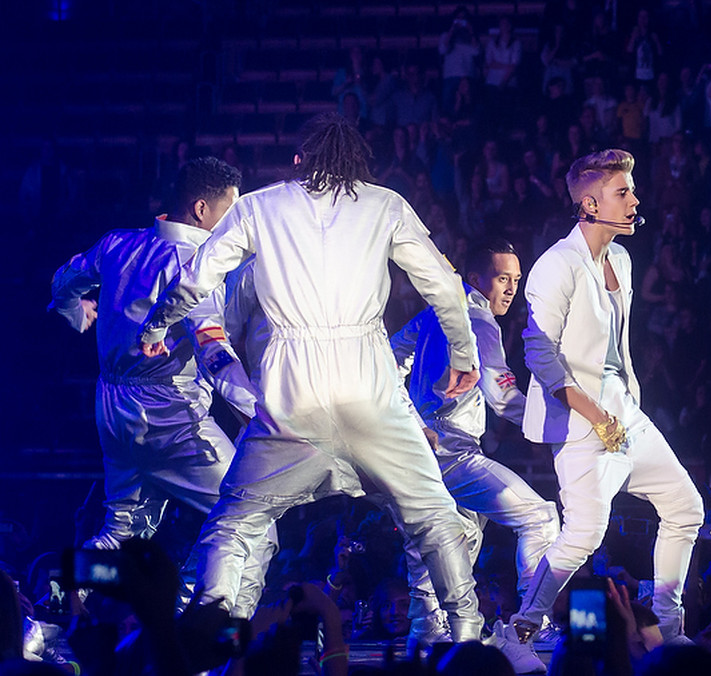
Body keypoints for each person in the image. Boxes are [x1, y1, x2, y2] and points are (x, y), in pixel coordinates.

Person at [136, 113, 485, 641]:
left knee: (235, 522)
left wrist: (156, 324)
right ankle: (466, 638)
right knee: (435, 513)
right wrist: (463, 353)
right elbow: (442, 284)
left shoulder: (258, 205)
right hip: (368, 387)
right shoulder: (385, 203)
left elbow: (197, 277)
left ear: (299, 161)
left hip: (291, 392)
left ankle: (211, 635)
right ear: (356, 162)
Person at [492, 148, 705, 672]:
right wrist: (595, 415)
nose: (635, 200)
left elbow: (612, 349)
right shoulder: (554, 266)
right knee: (584, 533)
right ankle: (518, 631)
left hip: (625, 414)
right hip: (583, 424)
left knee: (686, 508)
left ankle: (669, 627)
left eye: (631, 190)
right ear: (589, 203)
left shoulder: (622, 260)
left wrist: (619, 410)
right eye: (622, 192)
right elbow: (538, 351)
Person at [49, 157, 274, 617]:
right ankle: (203, 627)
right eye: (229, 212)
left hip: (112, 405)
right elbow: (213, 353)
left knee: (121, 532)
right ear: (200, 209)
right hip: (169, 414)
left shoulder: (117, 244)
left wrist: (76, 313)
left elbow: (63, 281)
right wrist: (264, 412)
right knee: (251, 520)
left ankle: (55, 601)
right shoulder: (196, 267)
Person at [390, 238, 559, 652]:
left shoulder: (434, 314)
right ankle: (533, 623)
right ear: (476, 278)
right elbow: (501, 396)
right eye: (503, 278)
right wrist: (556, 426)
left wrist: (406, 413)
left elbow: (390, 355)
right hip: (453, 449)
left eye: (516, 280)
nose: (510, 289)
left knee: (454, 536)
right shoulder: (478, 320)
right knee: (539, 517)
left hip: (421, 445)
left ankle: (429, 628)